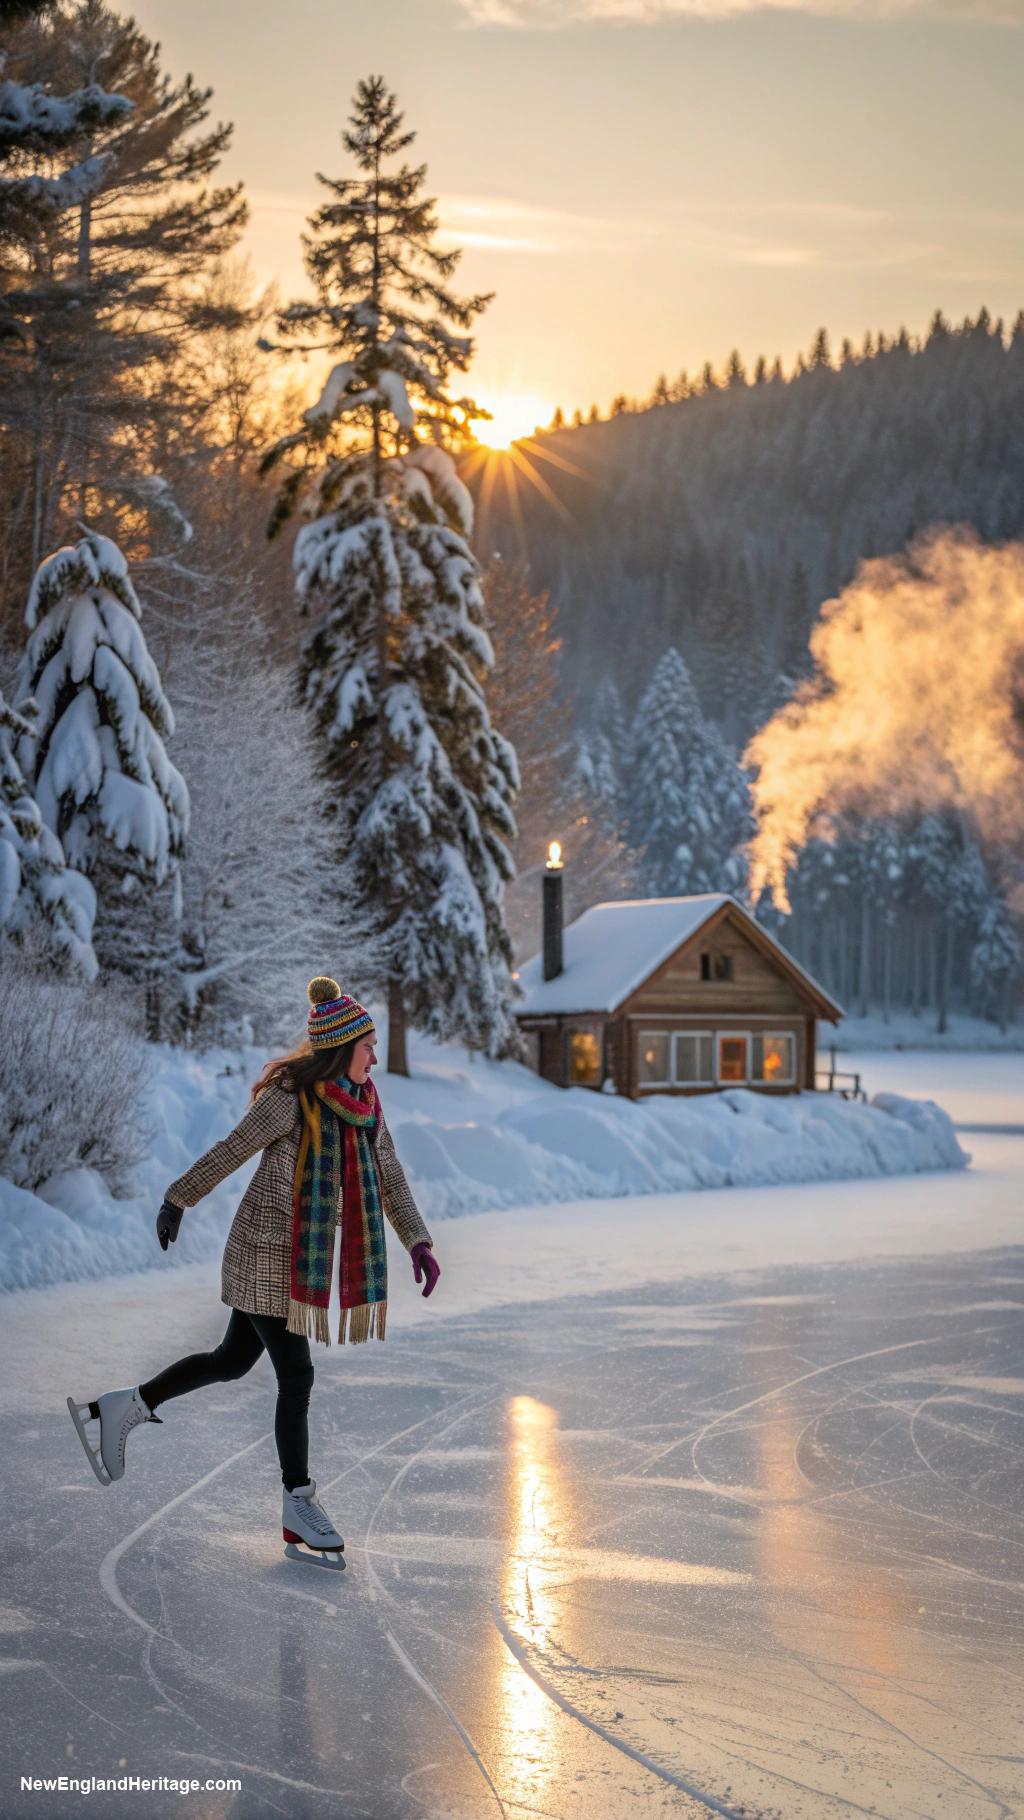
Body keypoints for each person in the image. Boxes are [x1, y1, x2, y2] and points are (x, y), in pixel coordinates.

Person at [66, 977, 440, 1566]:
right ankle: (299, 1502)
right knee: (297, 1377)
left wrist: (417, 1240)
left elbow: (388, 1174)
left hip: (298, 1261)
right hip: (265, 1253)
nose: (375, 1055)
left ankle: (126, 1405)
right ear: (342, 1049)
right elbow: (235, 1145)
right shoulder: (292, 1098)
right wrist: (178, 1198)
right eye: (369, 1045)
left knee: (231, 1361)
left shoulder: (366, 1108)